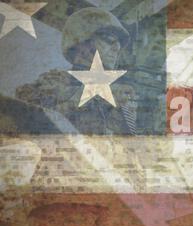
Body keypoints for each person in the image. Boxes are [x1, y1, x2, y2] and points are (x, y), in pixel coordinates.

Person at [16, 7, 137, 135]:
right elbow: (31, 124)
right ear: (80, 42)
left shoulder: (120, 92)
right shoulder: (49, 85)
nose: (117, 47)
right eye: (108, 39)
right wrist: (85, 97)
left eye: (118, 43)